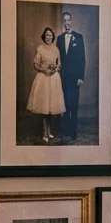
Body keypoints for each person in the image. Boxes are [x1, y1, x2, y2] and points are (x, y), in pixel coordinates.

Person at [26, 27, 66, 143]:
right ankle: (45, 133)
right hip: (43, 79)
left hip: (54, 79)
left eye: (50, 35)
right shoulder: (40, 48)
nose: (49, 37)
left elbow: (59, 64)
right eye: (47, 35)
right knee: (44, 108)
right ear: (44, 37)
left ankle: (49, 132)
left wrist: (55, 69)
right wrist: (45, 70)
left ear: (53, 37)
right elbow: (36, 64)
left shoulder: (56, 49)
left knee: (50, 108)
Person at [57, 12, 86, 140]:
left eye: (68, 20)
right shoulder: (59, 38)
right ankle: (66, 130)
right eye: (64, 20)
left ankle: (73, 131)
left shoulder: (79, 37)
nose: (67, 23)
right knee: (64, 104)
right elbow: (57, 58)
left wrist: (81, 77)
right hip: (62, 77)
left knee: (73, 104)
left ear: (71, 21)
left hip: (75, 78)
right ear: (63, 22)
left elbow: (82, 59)